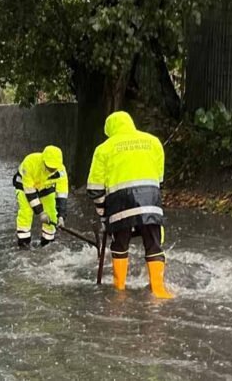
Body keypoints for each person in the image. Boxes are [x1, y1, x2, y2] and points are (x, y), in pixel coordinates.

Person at [86, 111, 173, 299]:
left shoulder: (104, 149)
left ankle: (119, 289)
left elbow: (94, 188)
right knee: (153, 244)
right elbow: (159, 178)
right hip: (151, 199)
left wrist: (104, 216)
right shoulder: (153, 141)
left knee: (120, 244)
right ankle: (159, 290)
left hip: (120, 202)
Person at [12, 146, 69, 249]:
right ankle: (24, 243)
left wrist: (61, 216)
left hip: (45, 187)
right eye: (49, 168)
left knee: (51, 212)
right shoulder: (30, 162)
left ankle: (47, 243)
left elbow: (62, 194)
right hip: (24, 186)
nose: (52, 171)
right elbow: (30, 192)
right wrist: (40, 212)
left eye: (54, 169)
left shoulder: (61, 171)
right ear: (43, 161)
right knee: (26, 212)